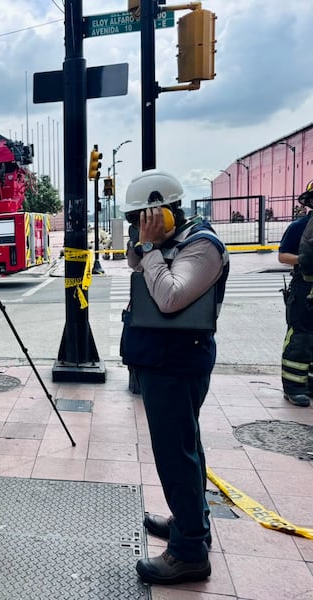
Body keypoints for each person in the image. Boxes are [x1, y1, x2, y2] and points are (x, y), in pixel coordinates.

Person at [120, 170, 229, 586]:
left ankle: (189, 553)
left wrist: (150, 247)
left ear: (163, 211)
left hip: (178, 363)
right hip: (164, 359)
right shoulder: (173, 239)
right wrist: (145, 243)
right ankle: (190, 522)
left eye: (141, 218)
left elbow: (169, 298)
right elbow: (134, 262)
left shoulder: (203, 246)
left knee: (175, 454)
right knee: (185, 446)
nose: (138, 226)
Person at [277, 180, 313, 407]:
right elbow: (282, 256)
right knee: (300, 338)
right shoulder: (299, 227)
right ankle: (294, 387)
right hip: (305, 289)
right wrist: (302, 260)